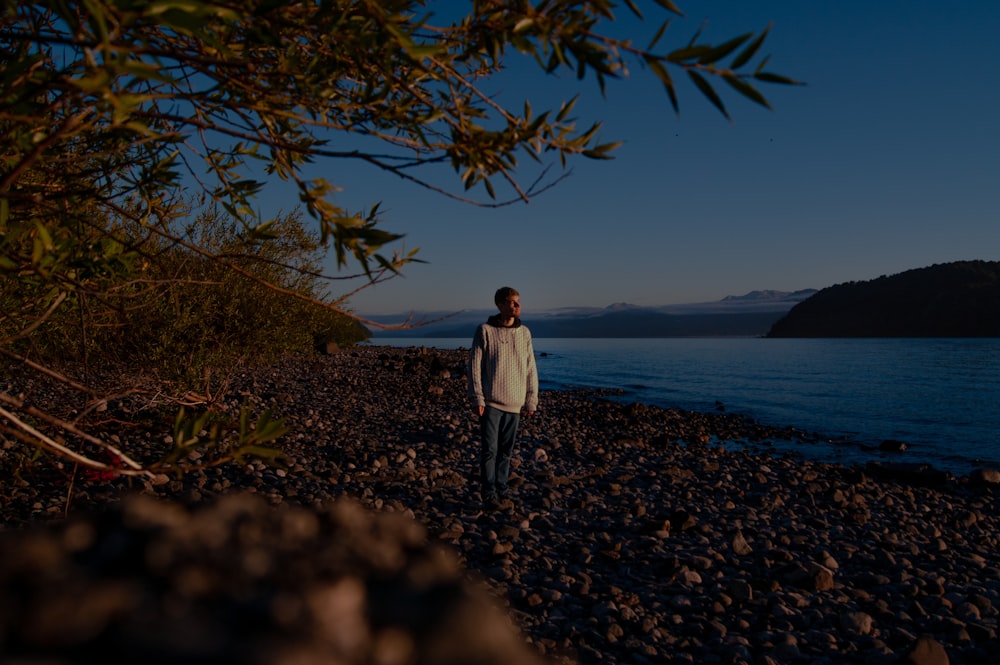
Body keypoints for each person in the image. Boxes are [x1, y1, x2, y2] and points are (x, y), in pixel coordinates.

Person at [468, 286, 538, 511]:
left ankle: (502, 489)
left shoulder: (525, 333)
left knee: (506, 452)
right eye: (511, 302)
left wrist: (531, 399)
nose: (517, 306)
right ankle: (489, 493)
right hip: (491, 403)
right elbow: (474, 366)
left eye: (518, 301)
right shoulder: (485, 330)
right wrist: (477, 397)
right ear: (499, 305)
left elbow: (530, 368)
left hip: (516, 404)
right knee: (490, 450)